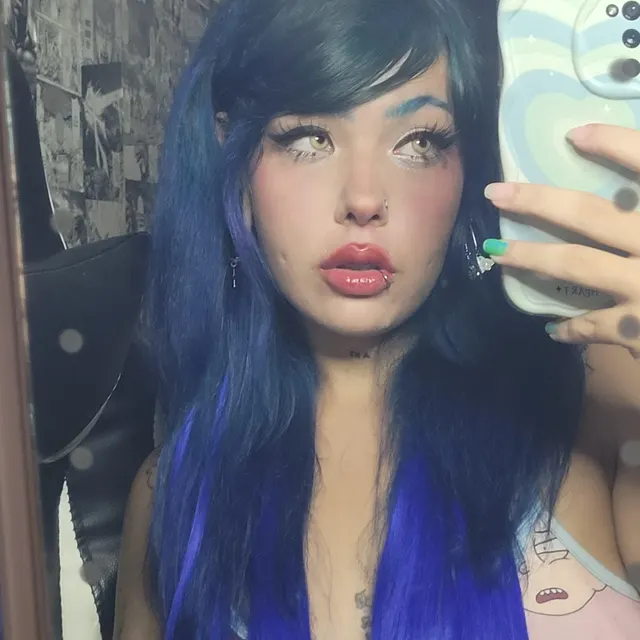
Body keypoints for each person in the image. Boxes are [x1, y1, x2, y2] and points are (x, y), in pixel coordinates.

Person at [113, 0, 640, 637]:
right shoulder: (174, 497)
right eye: (309, 138)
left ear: (468, 169)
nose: (363, 198)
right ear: (233, 158)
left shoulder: (596, 407)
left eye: (419, 142)